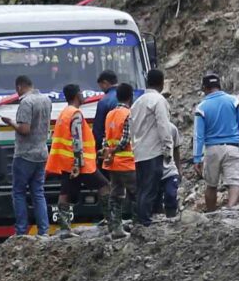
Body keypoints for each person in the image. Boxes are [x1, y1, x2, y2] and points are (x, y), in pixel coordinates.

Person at [192, 71, 239, 211]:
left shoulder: (202, 107)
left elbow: (199, 135)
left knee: (211, 185)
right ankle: (230, 208)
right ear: (219, 85)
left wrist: (197, 158)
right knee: (235, 180)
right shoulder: (233, 101)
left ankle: (211, 213)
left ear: (204, 88)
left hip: (212, 149)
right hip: (232, 146)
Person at [47, 84, 98, 234]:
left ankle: (64, 229)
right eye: (81, 93)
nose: (83, 95)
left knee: (65, 193)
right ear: (77, 95)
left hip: (66, 162)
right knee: (105, 187)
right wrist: (78, 162)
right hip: (79, 164)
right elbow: (77, 138)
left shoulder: (64, 113)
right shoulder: (75, 113)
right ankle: (113, 223)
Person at [129, 68, 176, 224]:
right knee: (150, 188)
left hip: (139, 151)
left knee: (142, 188)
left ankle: (141, 219)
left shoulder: (137, 102)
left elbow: (132, 128)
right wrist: (168, 148)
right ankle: (145, 221)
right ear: (162, 83)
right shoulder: (159, 101)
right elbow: (164, 126)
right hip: (153, 152)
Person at [8, 73, 52, 238]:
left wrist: (11, 122)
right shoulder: (46, 100)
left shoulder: (26, 102)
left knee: (19, 192)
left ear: (19, 87)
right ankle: (44, 231)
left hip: (25, 154)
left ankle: (21, 232)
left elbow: (24, 130)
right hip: (42, 152)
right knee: (38, 192)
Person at [100, 84, 138, 234]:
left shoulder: (110, 114)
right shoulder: (128, 114)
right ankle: (137, 226)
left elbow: (105, 138)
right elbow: (126, 140)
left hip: (112, 163)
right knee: (135, 193)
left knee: (115, 194)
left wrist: (108, 152)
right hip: (127, 163)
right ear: (130, 97)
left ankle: (115, 228)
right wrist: (114, 150)